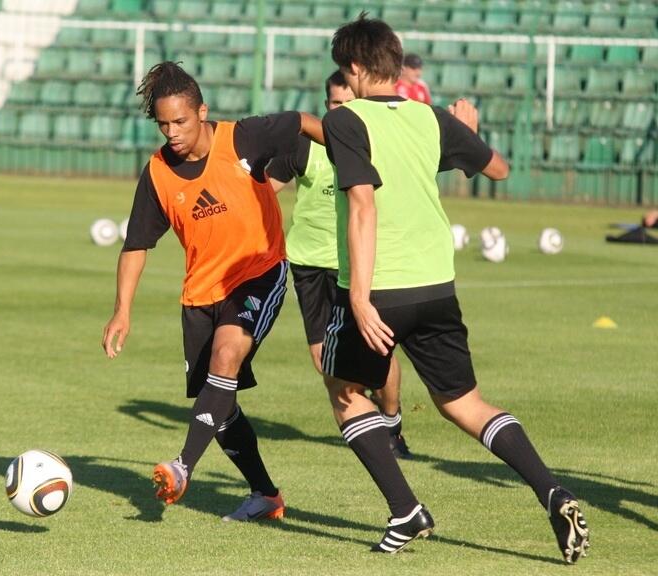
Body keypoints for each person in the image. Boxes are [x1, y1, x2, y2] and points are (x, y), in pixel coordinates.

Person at [320, 15, 590, 563]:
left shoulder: (346, 121)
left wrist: (359, 296)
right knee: (464, 403)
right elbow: (499, 168)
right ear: (395, 62)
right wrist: (467, 131)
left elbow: (363, 206)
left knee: (345, 392)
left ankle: (406, 510)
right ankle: (552, 491)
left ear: (352, 68)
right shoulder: (430, 118)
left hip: (385, 288)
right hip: (437, 286)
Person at [102, 62, 324, 521]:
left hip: (259, 272)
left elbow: (300, 123)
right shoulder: (159, 173)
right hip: (201, 294)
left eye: (180, 121)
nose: (172, 132)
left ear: (202, 111)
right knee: (219, 405)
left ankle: (183, 466)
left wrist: (348, 149)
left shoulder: (242, 138)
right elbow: (136, 244)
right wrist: (122, 311)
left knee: (226, 357)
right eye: (163, 124)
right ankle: (266, 495)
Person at [267, 70, 411, 458]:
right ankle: (367, 421)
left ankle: (392, 424)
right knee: (324, 360)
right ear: (325, 104)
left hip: (361, 265)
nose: (341, 110)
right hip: (309, 265)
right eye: (334, 104)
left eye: (348, 104)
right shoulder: (303, 147)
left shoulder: (375, 144)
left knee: (378, 355)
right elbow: (264, 190)